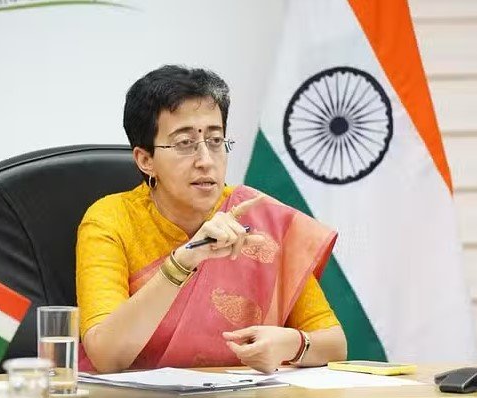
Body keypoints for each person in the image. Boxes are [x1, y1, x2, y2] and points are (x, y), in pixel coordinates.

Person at [76, 65, 347, 374]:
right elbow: (106, 356)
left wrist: (292, 344)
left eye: (216, 141)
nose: (206, 161)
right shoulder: (111, 220)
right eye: (184, 143)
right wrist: (183, 261)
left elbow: (335, 344)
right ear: (146, 160)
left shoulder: (260, 217)